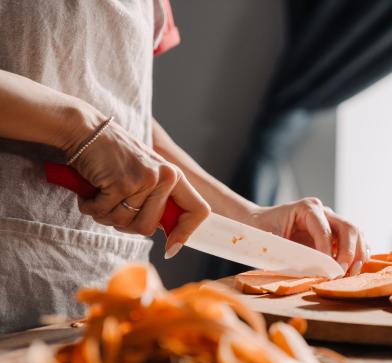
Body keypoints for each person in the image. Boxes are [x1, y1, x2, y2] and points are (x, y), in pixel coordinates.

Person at [0, 0, 367, 333]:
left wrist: (249, 217)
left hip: (106, 296)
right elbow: (102, 130)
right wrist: (78, 127)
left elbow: (128, 120)